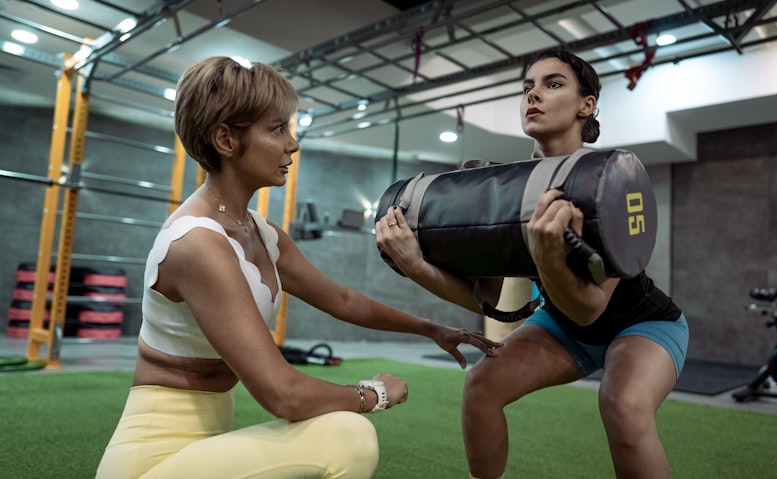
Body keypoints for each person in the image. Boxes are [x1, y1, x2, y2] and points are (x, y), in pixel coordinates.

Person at [95, 56, 502, 479]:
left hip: (206, 447)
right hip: (152, 461)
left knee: (339, 429)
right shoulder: (197, 242)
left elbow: (343, 300)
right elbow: (282, 395)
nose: (292, 144)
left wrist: (431, 329)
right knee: (347, 436)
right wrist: (376, 393)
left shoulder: (260, 231)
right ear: (225, 140)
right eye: (276, 129)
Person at [376, 49, 688, 479]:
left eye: (552, 84)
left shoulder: (606, 180)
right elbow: (485, 298)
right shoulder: (505, 188)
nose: (533, 95)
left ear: (587, 104)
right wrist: (415, 265)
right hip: (564, 326)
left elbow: (591, 307)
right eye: (527, 88)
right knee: (481, 387)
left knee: (623, 404)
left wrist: (548, 258)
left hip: (641, 323)